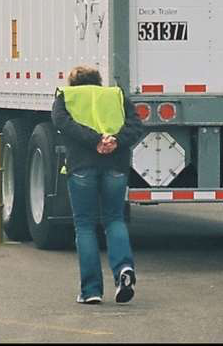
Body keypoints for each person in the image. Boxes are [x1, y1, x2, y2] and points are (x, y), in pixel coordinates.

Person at [52, 65, 142, 305]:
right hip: (116, 165)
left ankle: (91, 290)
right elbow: (135, 125)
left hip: (81, 167)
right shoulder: (116, 95)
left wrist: (94, 141)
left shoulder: (66, 96)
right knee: (114, 219)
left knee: (85, 226)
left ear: (74, 83)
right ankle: (124, 269)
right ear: (98, 81)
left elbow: (61, 122)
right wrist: (115, 141)